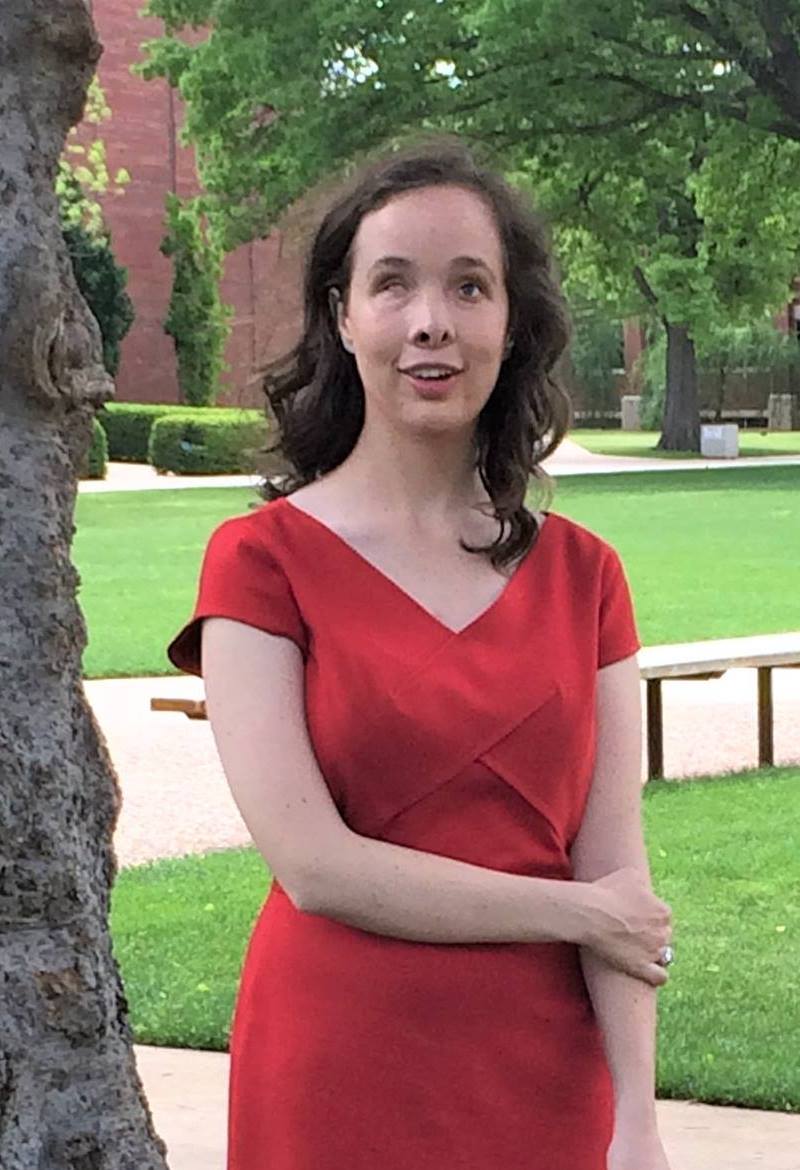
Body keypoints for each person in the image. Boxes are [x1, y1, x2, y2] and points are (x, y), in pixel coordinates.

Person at [166, 139, 675, 1170]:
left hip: (544, 1075)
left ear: (511, 322)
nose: (431, 321)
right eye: (392, 284)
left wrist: (640, 1125)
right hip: (338, 1069)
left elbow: (616, 866)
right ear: (343, 317)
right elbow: (315, 868)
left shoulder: (588, 578)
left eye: (469, 286)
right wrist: (577, 913)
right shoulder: (260, 564)